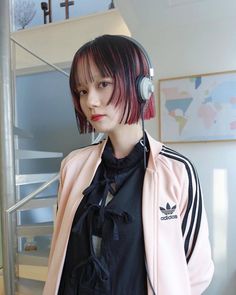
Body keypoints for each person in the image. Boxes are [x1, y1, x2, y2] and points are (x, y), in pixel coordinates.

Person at [43, 34, 214, 295]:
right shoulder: (73, 166)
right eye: (82, 91)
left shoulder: (176, 171)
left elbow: (196, 270)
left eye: (103, 84)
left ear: (141, 87)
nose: (91, 101)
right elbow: (61, 251)